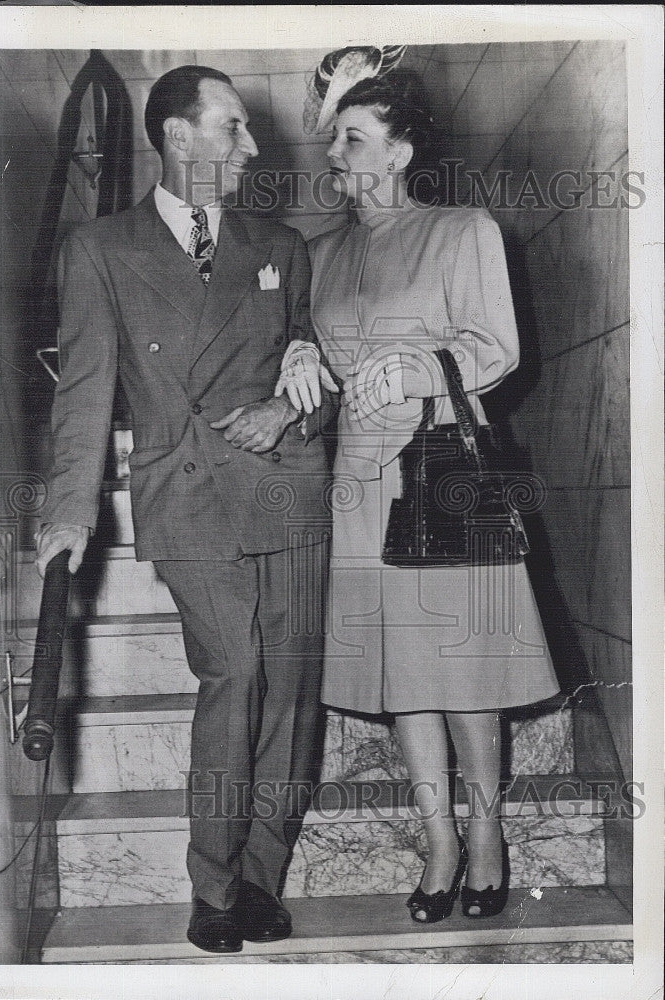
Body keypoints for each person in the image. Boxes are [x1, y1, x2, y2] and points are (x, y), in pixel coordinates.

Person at [35, 65, 336, 954]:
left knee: (289, 689)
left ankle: (261, 876)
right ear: (176, 135)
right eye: (233, 128)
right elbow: (84, 391)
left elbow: (308, 365)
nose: (251, 146)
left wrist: (290, 402)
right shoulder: (101, 248)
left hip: (284, 480)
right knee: (234, 674)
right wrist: (69, 514)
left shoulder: (282, 244)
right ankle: (212, 880)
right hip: (189, 486)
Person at [280, 65, 559, 924]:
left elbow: (497, 347)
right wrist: (296, 359)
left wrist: (425, 365)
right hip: (357, 485)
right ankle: (437, 838)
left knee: (464, 671)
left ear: (399, 153)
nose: (335, 152)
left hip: (443, 471)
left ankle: (483, 835)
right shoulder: (318, 255)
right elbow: (314, 355)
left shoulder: (460, 230)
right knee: (403, 675)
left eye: (353, 138)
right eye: (335, 138)